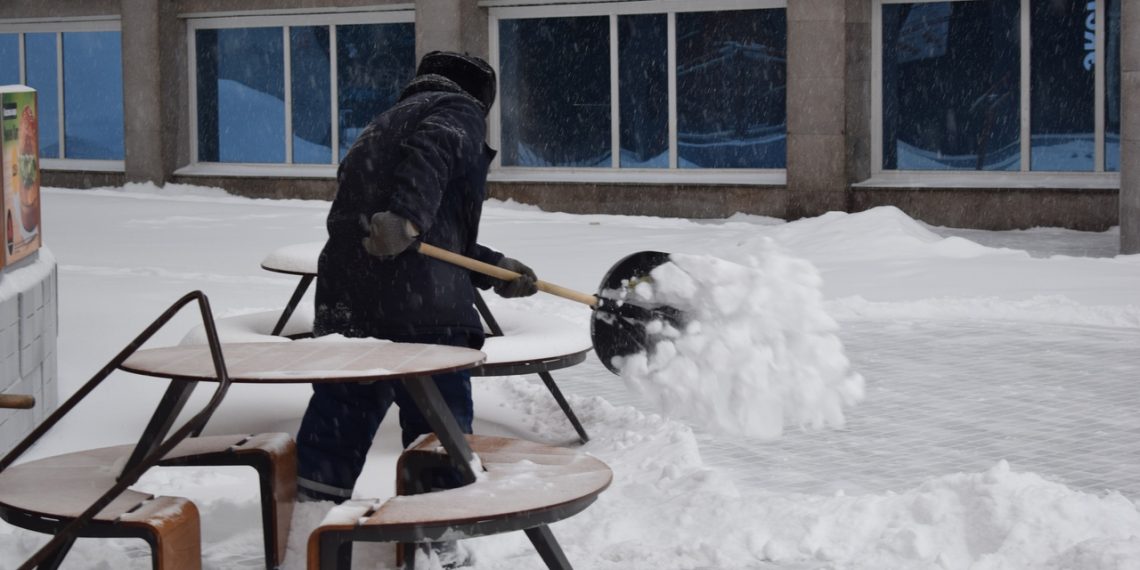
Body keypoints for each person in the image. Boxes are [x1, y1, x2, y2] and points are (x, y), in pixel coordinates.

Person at [295, 51, 538, 510]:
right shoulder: (454, 111)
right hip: (422, 315)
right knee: (438, 438)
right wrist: (408, 216)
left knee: (338, 425)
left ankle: (308, 530)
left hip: (350, 304)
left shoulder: (383, 123)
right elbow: (433, 153)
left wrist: (495, 268)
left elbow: (431, 238)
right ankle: (436, 537)